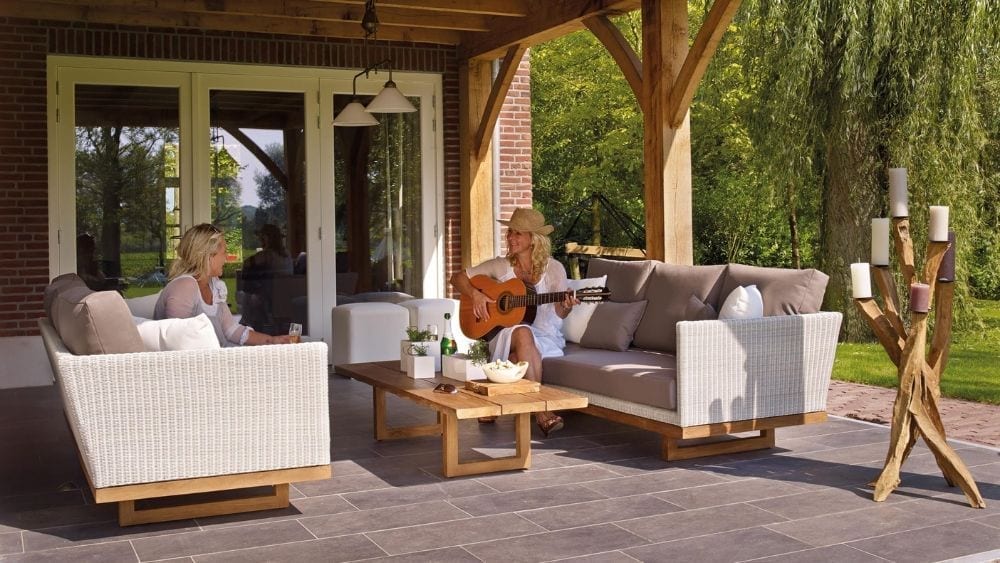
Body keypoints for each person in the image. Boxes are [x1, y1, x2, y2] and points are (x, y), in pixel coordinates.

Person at [450, 207, 579, 436]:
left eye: (517, 233)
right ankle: (542, 412)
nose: (510, 237)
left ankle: (493, 405)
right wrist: (476, 294)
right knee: (521, 331)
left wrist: (566, 306)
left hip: (545, 336)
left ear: (533, 239)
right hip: (505, 333)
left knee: (515, 357)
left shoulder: (555, 269)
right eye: (510, 232)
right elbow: (457, 277)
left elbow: (559, 313)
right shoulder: (500, 265)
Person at [154, 223, 292, 346]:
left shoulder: (214, 285)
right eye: (224, 252)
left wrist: (272, 340)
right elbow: (178, 343)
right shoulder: (184, 286)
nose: (226, 258)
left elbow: (231, 330)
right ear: (208, 255)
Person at [239, 223, 294, 331]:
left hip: (272, 296)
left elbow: (246, 263)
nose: (261, 241)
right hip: (285, 296)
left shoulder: (268, 254)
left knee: (249, 294)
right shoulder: (287, 254)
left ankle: (247, 323)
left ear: (268, 238)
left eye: (262, 238)